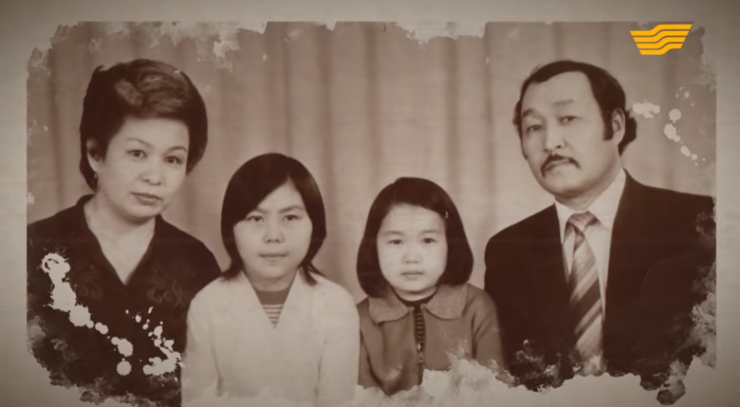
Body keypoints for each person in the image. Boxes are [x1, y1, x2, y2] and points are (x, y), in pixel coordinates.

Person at [483, 60, 715, 393]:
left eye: (568, 118)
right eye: (533, 127)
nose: (550, 142)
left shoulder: (702, 223)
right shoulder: (507, 251)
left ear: (616, 125)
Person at [26, 59, 222, 407]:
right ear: (95, 154)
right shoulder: (31, 251)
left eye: (173, 159)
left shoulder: (198, 263)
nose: (155, 177)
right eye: (137, 153)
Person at [181, 153, 359, 407]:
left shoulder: (336, 304)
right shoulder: (208, 304)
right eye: (256, 219)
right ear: (231, 227)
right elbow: (198, 402)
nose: (273, 236)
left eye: (290, 218)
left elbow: (338, 402)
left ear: (315, 225)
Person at [356, 177, 504, 396]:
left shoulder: (477, 307)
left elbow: (495, 393)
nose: (411, 257)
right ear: (373, 246)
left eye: (427, 241)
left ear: (450, 244)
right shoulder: (359, 320)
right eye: (396, 242)